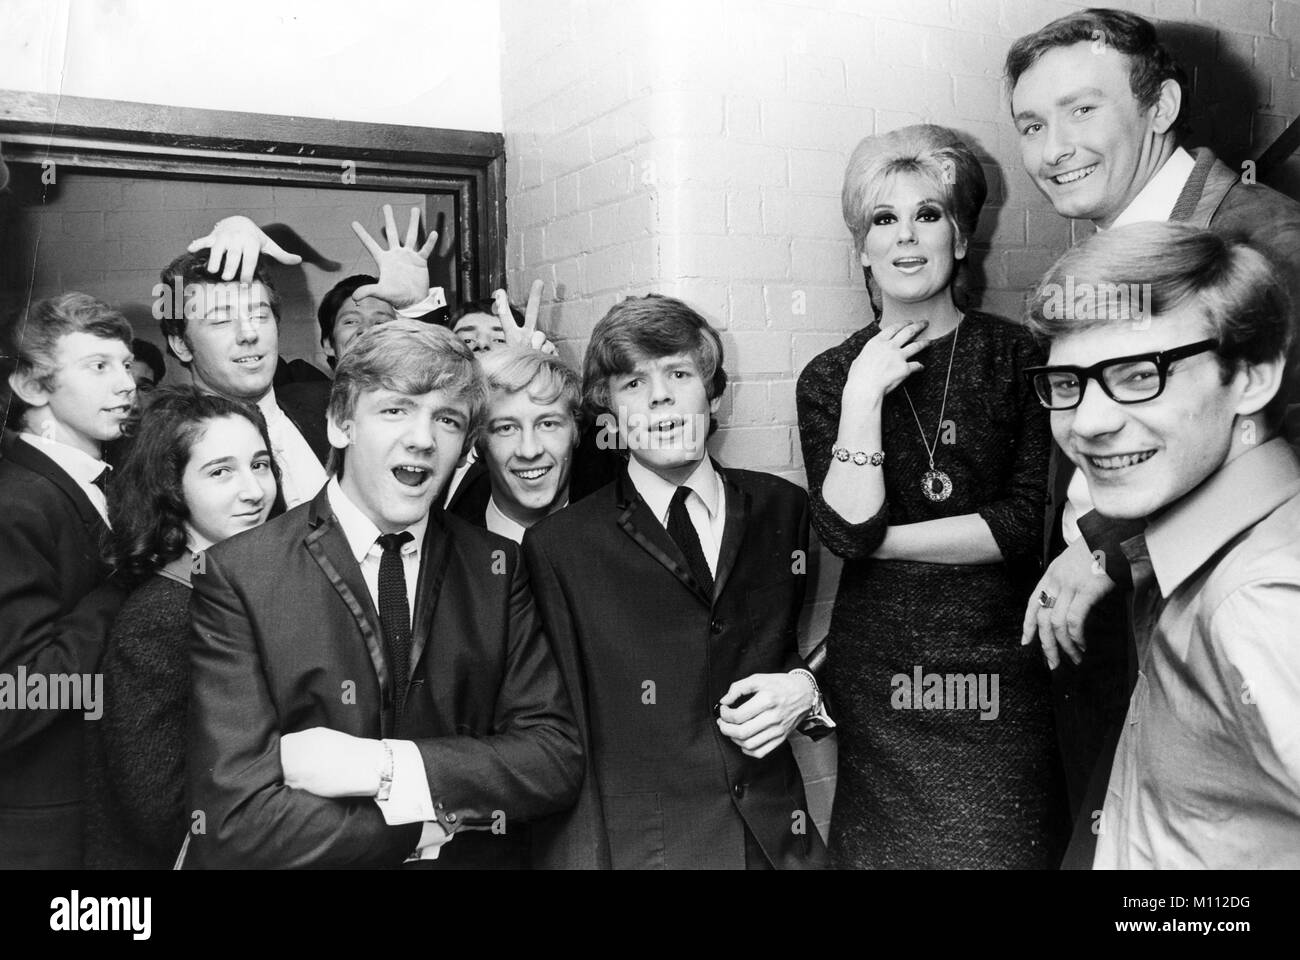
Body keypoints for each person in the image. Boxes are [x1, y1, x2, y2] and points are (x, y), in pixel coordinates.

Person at [1006, 6, 1300, 856]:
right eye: (1032, 123)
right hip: (1109, 630)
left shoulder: (1269, 241)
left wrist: (1107, 548)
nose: (1053, 147)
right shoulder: (1108, 251)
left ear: (1161, 107)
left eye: (1082, 110)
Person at [185, 319, 581, 869]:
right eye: (395, 409)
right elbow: (236, 823)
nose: (423, 438)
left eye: (446, 419)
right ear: (340, 423)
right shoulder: (240, 576)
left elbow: (552, 760)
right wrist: (423, 826)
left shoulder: (496, 566)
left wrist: (383, 767)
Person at [795, 125, 1067, 868]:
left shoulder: (1018, 357)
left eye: (928, 214)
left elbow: (1019, 527)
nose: (906, 237)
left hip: (997, 669)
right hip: (880, 674)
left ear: (961, 235)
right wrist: (861, 396)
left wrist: (879, 542)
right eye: (883, 219)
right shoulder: (831, 376)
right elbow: (847, 523)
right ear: (862, 246)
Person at [1023, 221, 1300, 868]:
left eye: (1138, 374)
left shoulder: (1263, 600)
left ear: (1253, 378)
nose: (1086, 423)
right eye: (1069, 384)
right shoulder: (1205, 557)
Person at [525, 293, 831, 870]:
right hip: (654, 851)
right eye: (633, 383)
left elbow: (787, 649)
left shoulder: (782, 508)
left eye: (679, 372)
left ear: (713, 390)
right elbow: (567, 736)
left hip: (778, 842)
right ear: (607, 411)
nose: (660, 394)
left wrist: (805, 690)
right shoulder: (561, 546)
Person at [84, 387, 279, 869]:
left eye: (259, 464)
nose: (254, 490)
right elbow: (161, 812)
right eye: (220, 472)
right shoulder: (162, 615)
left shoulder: (255, 584)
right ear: (171, 490)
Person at [0, 293, 135, 867]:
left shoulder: (101, 483)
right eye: (98, 366)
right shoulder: (17, 505)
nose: (126, 384)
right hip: (48, 833)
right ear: (32, 387)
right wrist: (127, 586)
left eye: (126, 365)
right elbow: (20, 696)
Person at [158, 248, 330, 509]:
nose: (248, 333)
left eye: (259, 316)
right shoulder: (167, 455)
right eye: (221, 320)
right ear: (181, 343)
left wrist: (411, 308)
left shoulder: (329, 404)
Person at [448, 346, 581, 542]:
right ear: (478, 439)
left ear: (575, 430)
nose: (529, 451)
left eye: (547, 424)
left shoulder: (614, 537)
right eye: (506, 428)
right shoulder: (447, 548)